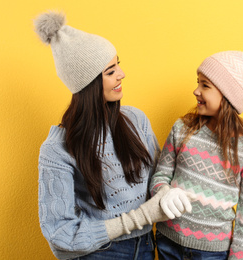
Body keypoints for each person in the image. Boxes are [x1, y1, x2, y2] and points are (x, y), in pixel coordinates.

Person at [34, 11, 193, 260]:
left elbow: (158, 177)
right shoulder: (58, 149)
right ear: (88, 84)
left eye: (118, 64)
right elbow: (61, 233)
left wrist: (165, 193)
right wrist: (143, 216)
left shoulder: (135, 120)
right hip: (101, 254)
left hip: (146, 247)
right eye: (110, 71)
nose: (121, 74)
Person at [150, 50, 243, 260]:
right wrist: (164, 192)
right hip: (168, 242)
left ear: (228, 95)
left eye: (205, 85)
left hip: (211, 253)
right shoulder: (182, 129)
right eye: (198, 82)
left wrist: (239, 257)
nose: (195, 91)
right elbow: (159, 177)